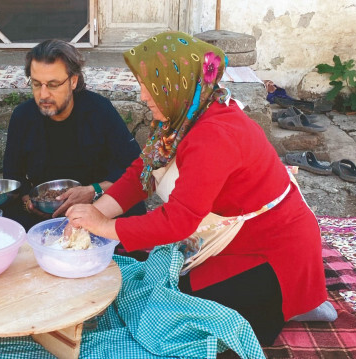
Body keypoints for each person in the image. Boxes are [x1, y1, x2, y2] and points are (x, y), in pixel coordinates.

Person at [65, 32, 331, 345]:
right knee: (166, 287)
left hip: (272, 249)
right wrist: (96, 213)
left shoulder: (213, 135)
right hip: (235, 234)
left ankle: (297, 299)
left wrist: (105, 227)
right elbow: (144, 173)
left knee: (172, 312)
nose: (143, 96)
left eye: (150, 87)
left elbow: (178, 222)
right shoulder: (184, 117)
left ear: (176, 86)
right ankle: (299, 295)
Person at [2, 39, 146, 233]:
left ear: (73, 81)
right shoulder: (23, 116)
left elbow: (135, 168)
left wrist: (93, 191)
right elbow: (13, 176)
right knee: (3, 222)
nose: (43, 95)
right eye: (36, 84)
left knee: (132, 213)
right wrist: (32, 204)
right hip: (44, 211)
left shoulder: (99, 111)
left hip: (100, 206)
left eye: (53, 84)